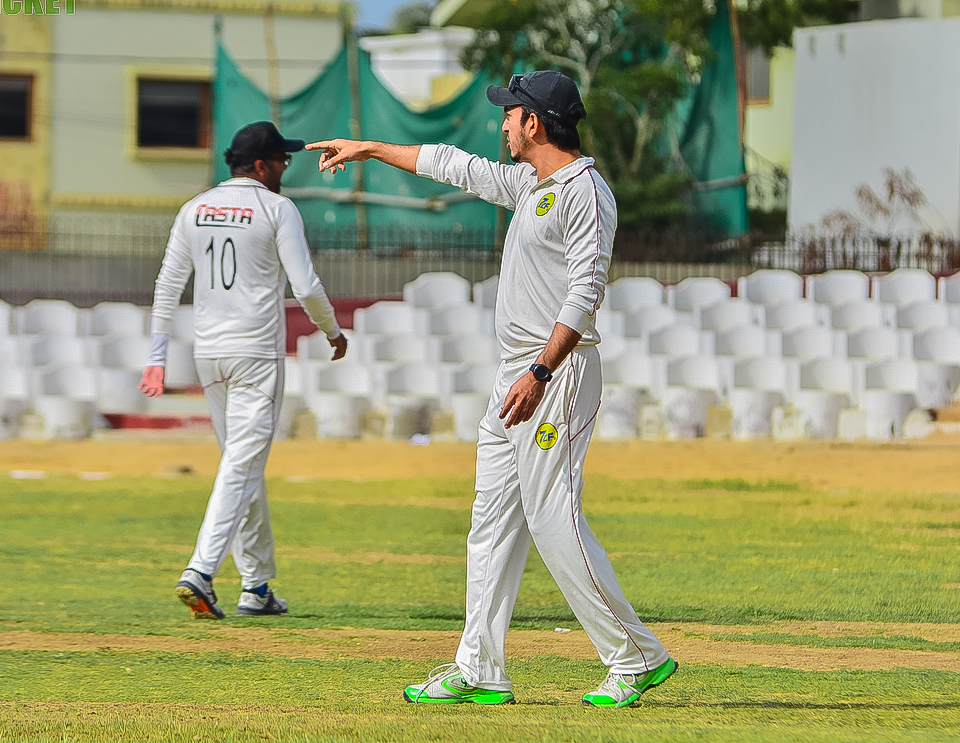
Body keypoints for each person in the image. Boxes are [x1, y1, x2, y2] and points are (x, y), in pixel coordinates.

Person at [306, 70, 676, 708]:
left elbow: (586, 293)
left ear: (534, 122)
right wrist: (370, 149)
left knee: (552, 517)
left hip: (555, 375)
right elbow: (452, 164)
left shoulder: (587, 192)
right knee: (491, 522)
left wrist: (541, 372)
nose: (502, 123)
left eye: (510, 113)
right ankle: (478, 667)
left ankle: (635, 655)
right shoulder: (531, 185)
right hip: (515, 378)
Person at [140, 121, 348, 619]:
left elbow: (168, 284)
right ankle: (200, 571)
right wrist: (333, 331)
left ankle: (255, 585)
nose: (285, 169)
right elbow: (305, 285)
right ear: (260, 165)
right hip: (255, 353)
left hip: (210, 355)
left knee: (242, 463)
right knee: (241, 464)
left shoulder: (194, 208)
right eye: (282, 161)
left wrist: (156, 356)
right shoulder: (276, 208)